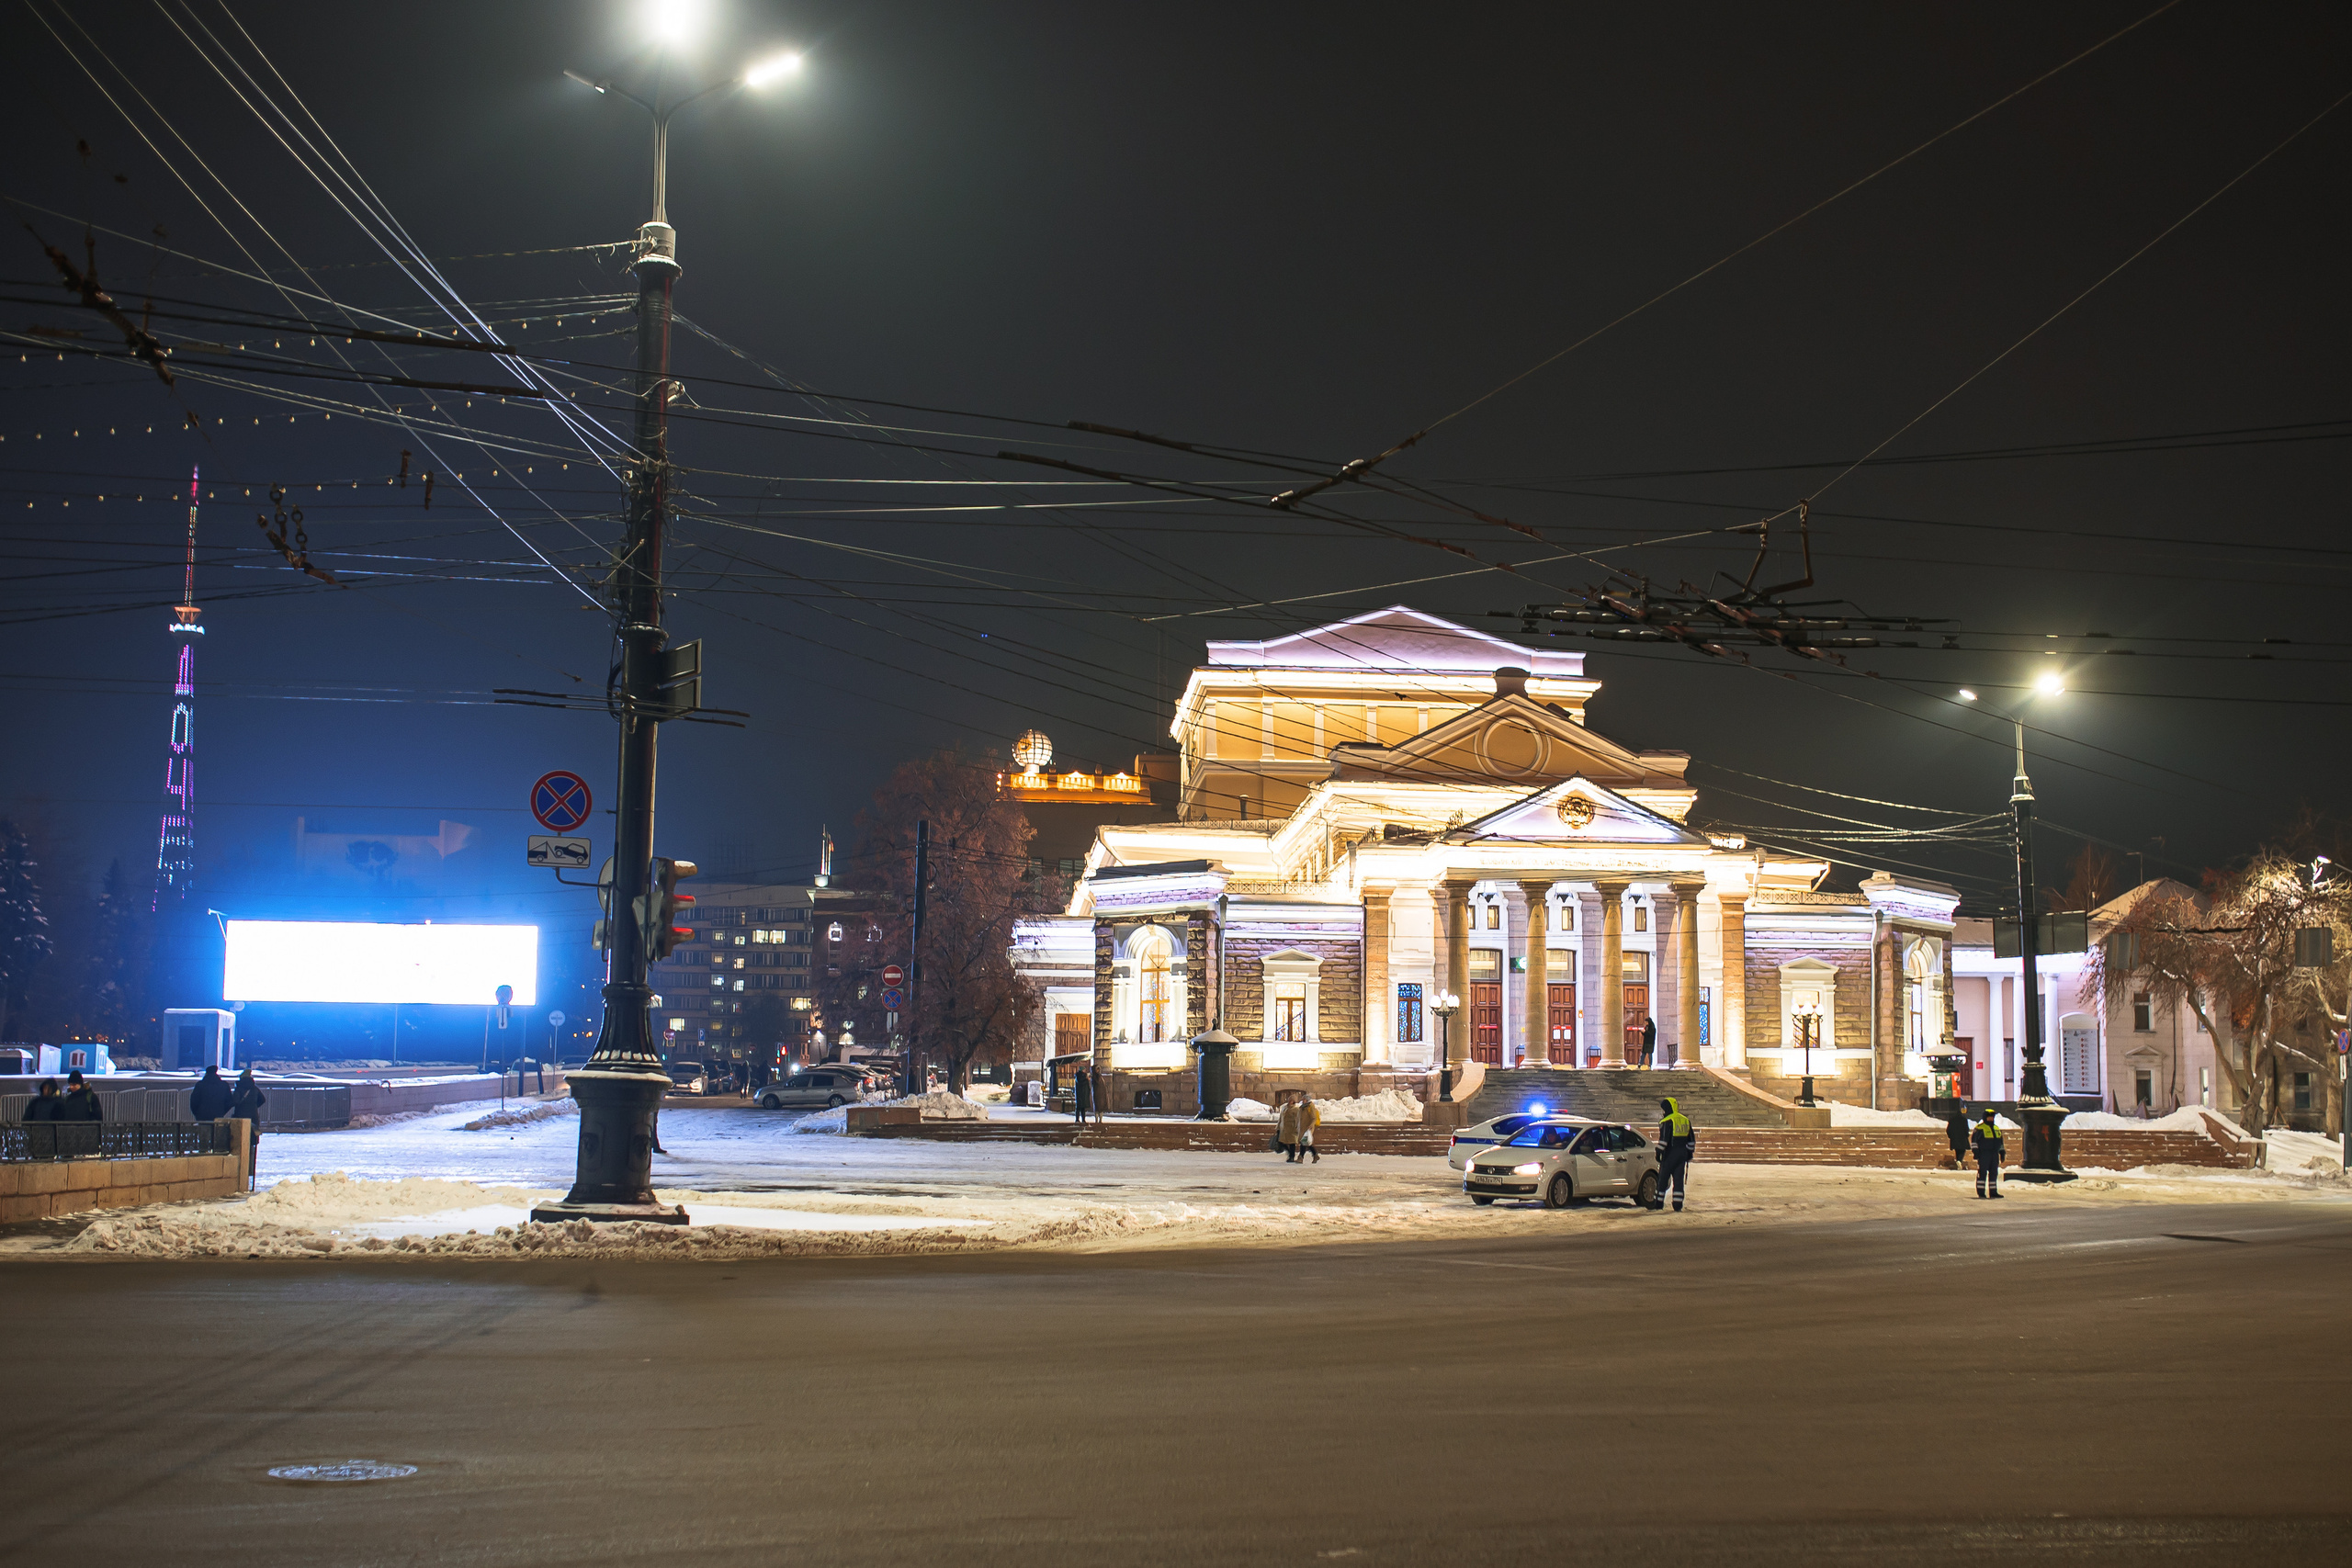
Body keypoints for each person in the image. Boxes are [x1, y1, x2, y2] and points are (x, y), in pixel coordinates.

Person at [1657, 1096, 1695, 1211]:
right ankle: (1678, 1205)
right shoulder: (1685, 1120)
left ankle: (1658, 1203)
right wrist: (1689, 1153)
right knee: (1678, 1181)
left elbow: (1663, 1140)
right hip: (1682, 1154)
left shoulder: (1667, 1121)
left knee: (1663, 1179)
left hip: (1669, 1154)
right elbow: (1691, 1140)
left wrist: (1658, 1152)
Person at [228, 1068, 267, 1166]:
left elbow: (235, 1101)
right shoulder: (254, 1089)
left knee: (239, 1141)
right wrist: (253, 1107)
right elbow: (263, 1100)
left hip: (240, 1118)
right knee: (251, 1142)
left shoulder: (239, 1089)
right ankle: (250, 1165)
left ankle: (241, 1164)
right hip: (253, 1119)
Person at [1972, 1108, 2005, 1199]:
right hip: (1984, 1154)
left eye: (1992, 1117)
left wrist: (2002, 1152)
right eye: (1989, 1117)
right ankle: (1981, 1192)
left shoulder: (1996, 1128)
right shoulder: (1979, 1128)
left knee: (1994, 1173)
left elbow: (2000, 1142)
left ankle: (1993, 1192)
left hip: (1994, 1154)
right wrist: (1976, 1152)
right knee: (1982, 1173)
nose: (1990, 1119)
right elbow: (1974, 1142)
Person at [1295, 1093, 1322, 1165]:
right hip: (1302, 1127)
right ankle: (1315, 1155)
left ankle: (1300, 1158)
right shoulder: (1302, 1107)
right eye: (1303, 1099)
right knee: (1306, 1142)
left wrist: (1311, 1125)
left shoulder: (1310, 1106)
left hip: (1307, 1127)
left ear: (1307, 1100)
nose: (1303, 1100)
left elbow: (1314, 1118)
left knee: (1304, 1142)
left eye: (1304, 1099)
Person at [1944, 1104, 1970, 1170]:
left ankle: (1958, 1161)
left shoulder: (1952, 1120)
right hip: (1962, 1138)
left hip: (1954, 1138)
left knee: (1957, 1150)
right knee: (1962, 1150)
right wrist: (1967, 1135)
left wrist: (1950, 1136)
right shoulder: (1964, 1120)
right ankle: (1959, 1161)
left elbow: (1948, 1130)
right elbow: (1966, 1129)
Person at [1275, 1092, 1300, 1162]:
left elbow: (1298, 1119)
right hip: (1283, 1128)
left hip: (1292, 1128)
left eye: (1291, 1100)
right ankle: (1290, 1153)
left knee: (1292, 1143)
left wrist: (1297, 1128)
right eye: (1289, 1100)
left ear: (1293, 1101)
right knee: (1281, 1142)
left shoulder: (1296, 1109)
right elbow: (1281, 1118)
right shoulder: (1284, 1108)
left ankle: (1292, 1157)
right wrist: (1278, 1127)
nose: (1289, 1101)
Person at [1072, 1061, 1093, 1129]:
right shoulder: (1079, 1076)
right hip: (1080, 1094)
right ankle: (1077, 1119)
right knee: (1079, 1107)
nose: (1085, 1070)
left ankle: (1083, 1119)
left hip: (1083, 1094)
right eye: (1084, 1069)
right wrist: (1087, 1079)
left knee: (1083, 1108)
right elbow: (1081, 1082)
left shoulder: (1082, 1076)